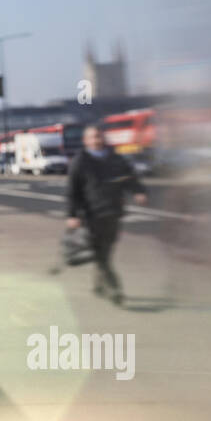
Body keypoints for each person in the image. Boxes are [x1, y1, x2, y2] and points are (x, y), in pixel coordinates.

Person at [65, 124, 147, 304]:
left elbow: (130, 177)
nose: (96, 140)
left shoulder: (115, 159)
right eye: (93, 137)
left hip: (113, 214)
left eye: (99, 136)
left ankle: (99, 284)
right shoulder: (80, 162)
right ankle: (115, 289)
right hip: (91, 215)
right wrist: (72, 215)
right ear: (86, 141)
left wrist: (138, 191)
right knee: (100, 254)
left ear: (104, 138)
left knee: (106, 253)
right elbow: (73, 191)